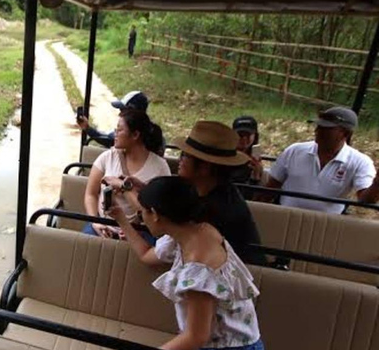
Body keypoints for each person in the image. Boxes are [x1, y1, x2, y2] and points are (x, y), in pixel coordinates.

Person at [108, 176, 273, 350]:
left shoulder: (198, 268)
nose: (142, 218)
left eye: (143, 213)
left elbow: (196, 335)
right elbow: (147, 255)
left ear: (156, 214)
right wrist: (122, 220)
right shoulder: (199, 230)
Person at [174, 121, 266, 266]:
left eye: (185, 155)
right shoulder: (207, 190)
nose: (180, 160)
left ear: (205, 167)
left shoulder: (218, 209)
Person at [266, 107, 379, 214]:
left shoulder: (360, 162)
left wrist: (377, 184)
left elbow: (366, 200)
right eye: (318, 126)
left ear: (345, 133)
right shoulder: (294, 151)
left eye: (326, 128)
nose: (317, 130)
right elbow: (271, 187)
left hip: (327, 225)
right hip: (285, 216)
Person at [83, 108, 170, 239]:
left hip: (141, 230)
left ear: (135, 135)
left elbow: (160, 213)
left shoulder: (160, 167)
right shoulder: (107, 157)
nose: (115, 133)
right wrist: (95, 221)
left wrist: (132, 232)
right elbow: (91, 193)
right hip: (104, 225)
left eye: (120, 129)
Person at [77, 90, 165, 154]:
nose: (120, 113)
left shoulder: (128, 134)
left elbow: (107, 139)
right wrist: (87, 128)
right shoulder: (155, 134)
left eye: (123, 110)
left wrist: (88, 128)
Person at [231, 116, 266, 186]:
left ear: (255, 136)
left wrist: (256, 175)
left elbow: (255, 193)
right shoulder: (225, 155)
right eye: (240, 135)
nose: (244, 138)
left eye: (248, 135)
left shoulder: (255, 160)